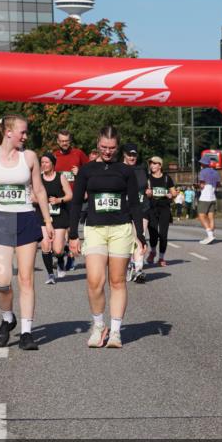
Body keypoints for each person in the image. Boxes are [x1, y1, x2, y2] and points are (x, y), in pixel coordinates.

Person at [0, 115, 54, 351]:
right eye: (23, 132)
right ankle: (8, 318)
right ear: (9, 132)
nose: (26, 136)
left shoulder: (29, 157)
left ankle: (27, 332)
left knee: (26, 278)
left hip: (26, 219)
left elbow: (39, 190)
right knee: (1, 279)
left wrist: (47, 221)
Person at [67, 126, 146, 349]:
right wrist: (73, 234)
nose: (108, 151)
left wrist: (140, 235)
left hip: (121, 229)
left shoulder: (125, 171)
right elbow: (75, 203)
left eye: (111, 148)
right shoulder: (87, 170)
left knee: (117, 281)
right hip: (95, 229)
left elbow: (134, 204)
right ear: (97, 143)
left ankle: (116, 331)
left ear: (117, 147)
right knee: (94, 281)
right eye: (103, 147)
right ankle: (99, 325)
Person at [53, 130, 89, 271]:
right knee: (59, 231)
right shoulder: (54, 156)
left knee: (70, 229)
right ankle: (62, 253)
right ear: (58, 141)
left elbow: (90, 171)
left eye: (66, 140)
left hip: (75, 197)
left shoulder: (78, 154)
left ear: (70, 141)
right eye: (61, 141)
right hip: (58, 199)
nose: (64, 143)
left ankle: (71, 258)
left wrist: (80, 172)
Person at [38, 152, 73, 285]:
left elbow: (70, 195)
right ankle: (50, 274)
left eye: (46, 162)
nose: (44, 165)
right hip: (42, 215)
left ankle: (60, 259)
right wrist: (40, 200)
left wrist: (59, 199)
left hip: (59, 215)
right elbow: (32, 196)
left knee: (58, 249)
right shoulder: (38, 179)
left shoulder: (60, 177)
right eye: (42, 163)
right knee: (45, 245)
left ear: (53, 164)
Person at [121, 143, 149, 283]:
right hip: (124, 209)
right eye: (129, 155)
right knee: (128, 239)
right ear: (124, 155)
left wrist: (148, 191)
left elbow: (147, 185)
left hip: (142, 208)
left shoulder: (142, 168)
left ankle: (138, 270)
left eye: (134, 155)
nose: (132, 157)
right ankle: (128, 265)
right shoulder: (119, 169)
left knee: (140, 237)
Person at [145, 156, 175, 267]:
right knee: (153, 234)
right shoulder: (147, 178)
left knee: (163, 235)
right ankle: (153, 251)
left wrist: (171, 195)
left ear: (160, 165)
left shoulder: (167, 178)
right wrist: (147, 192)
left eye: (154, 163)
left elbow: (174, 193)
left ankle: (161, 258)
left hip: (164, 208)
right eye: (151, 163)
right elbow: (144, 191)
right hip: (151, 208)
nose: (152, 165)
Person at [196, 156, 219, 244]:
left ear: (203, 163)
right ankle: (211, 236)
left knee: (201, 216)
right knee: (211, 218)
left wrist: (197, 185)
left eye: (201, 163)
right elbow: (218, 184)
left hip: (205, 197)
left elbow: (202, 185)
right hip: (213, 197)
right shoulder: (215, 172)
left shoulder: (203, 172)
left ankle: (210, 235)